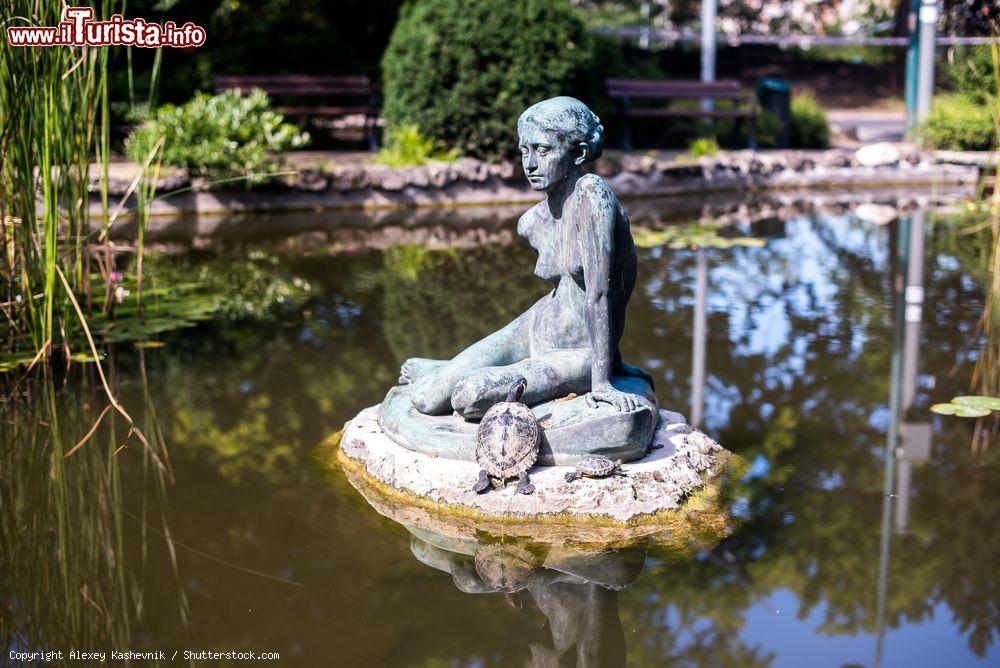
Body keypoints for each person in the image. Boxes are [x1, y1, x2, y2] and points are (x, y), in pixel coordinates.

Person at [398, 96, 652, 419]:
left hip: (574, 354)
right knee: (428, 397)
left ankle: (452, 371)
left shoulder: (592, 195)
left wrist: (603, 380)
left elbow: (604, 293)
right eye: (524, 151)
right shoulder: (534, 219)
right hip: (534, 325)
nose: (530, 164)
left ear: (579, 153)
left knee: (467, 397)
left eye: (543, 151)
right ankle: (446, 369)